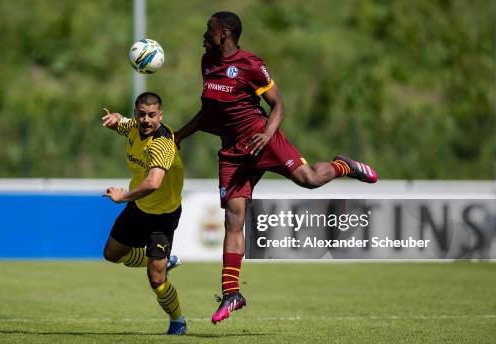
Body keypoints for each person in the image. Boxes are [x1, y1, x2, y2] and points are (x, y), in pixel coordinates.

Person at [174, 11, 378, 325]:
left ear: (225, 33)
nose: (204, 34)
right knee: (233, 217)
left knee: (309, 180)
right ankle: (232, 293)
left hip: (262, 138)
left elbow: (278, 104)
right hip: (233, 152)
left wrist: (267, 134)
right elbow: (208, 113)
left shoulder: (251, 66)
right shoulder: (207, 63)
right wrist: (179, 137)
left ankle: (343, 165)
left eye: (209, 29)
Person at [101, 92, 186, 335]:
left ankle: (178, 321)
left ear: (161, 115)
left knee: (156, 280)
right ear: (136, 114)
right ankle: (164, 261)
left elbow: (153, 183)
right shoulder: (134, 127)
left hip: (163, 215)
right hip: (138, 208)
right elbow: (121, 124)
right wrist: (115, 119)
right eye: (141, 115)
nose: (146, 120)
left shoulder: (162, 143)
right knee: (111, 254)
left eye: (152, 115)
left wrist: (121, 197)